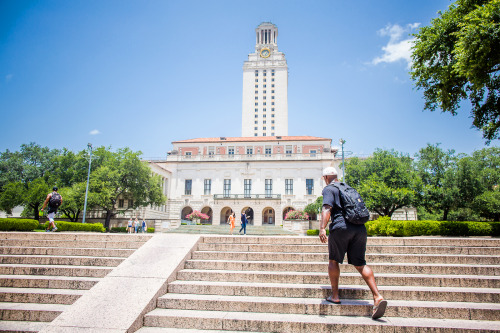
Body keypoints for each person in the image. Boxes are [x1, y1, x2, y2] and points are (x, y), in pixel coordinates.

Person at [319, 167, 387, 320]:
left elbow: (326, 208)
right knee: (361, 263)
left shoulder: (329, 189)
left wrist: (322, 228)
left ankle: (335, 296)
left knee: (333, 260)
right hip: (359, 228)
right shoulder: (349, 188)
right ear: (336, 175)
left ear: (326, 177)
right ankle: (377, 296)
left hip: (340, 227)